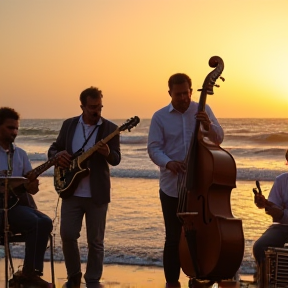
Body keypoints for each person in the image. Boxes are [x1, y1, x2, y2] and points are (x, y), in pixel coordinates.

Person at [147, 73, 224, 287]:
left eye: (186, 93)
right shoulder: (159, 117)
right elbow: (153, 147)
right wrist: (168, 163)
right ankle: (172, 282)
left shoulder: (203, 109)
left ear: (192, 91)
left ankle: (200, 276)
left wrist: (208, 124)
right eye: (178, 94)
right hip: (172, 186)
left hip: (199, 185)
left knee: (201, 233)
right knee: (173, 237)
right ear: (170, 92)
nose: (183, 97)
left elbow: (219, 138)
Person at [48, 87, 121, 288]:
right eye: (92, 107)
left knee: (95, 241)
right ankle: (73, 277)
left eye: (99, 106)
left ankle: (92, 280)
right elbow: (54, 148)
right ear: (82, 106)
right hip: (71, 190)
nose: (96, 111)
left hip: (97, 193)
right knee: (68, 235)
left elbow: (116, 159)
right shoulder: (69, 125)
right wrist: (57, 155)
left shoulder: (111, 129)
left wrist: (107, 153)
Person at [0, 107, 53, 287]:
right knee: (35, 222)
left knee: (45, 221)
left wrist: (31, 186)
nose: (14, 132)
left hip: (16, 206)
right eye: (10, 128)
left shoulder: (20, 154)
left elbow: (30, 190)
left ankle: (29, 272)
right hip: (1, 210)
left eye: (16, 128)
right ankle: (28, 276)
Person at [253, 149, 288, 285]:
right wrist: (265, 204)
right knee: (260, 246)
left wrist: (282, 213)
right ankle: (265, 283)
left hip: (283, 221)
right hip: (282, 227)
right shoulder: (281, 180)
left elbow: (281, 213)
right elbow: (275, 210)